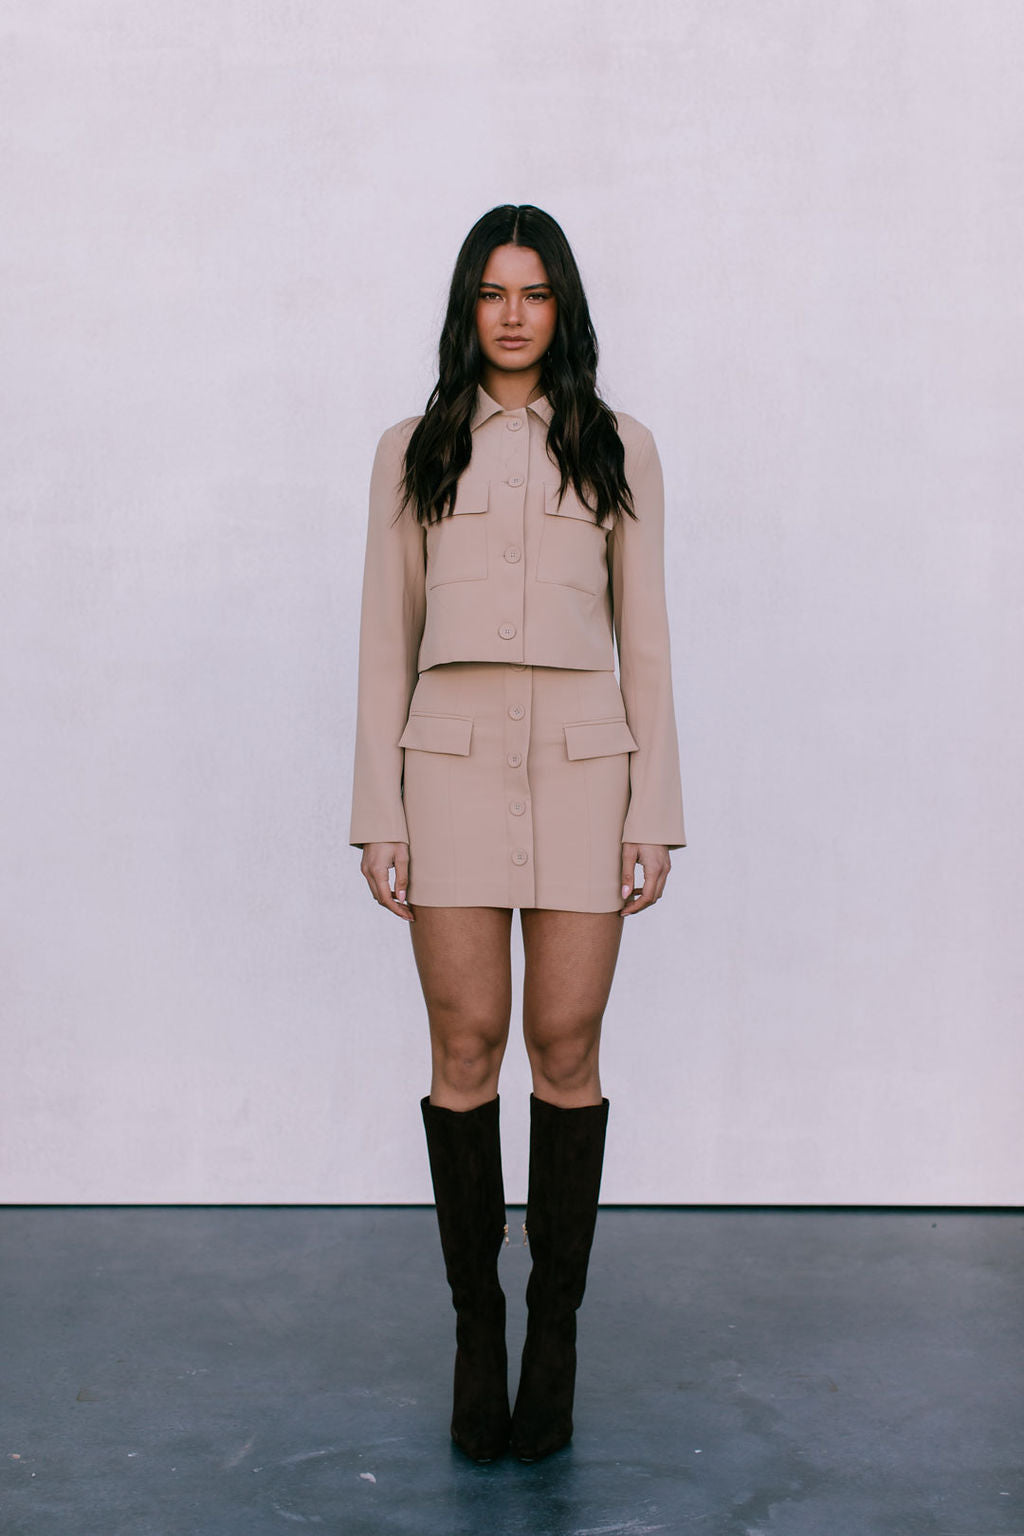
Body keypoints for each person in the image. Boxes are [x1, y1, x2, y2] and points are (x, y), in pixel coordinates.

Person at [349, 204, 685, 1463]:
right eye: (492, 292)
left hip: (585, 760)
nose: (510, 314)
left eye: (533, 293)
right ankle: (475, 1329)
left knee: (565, 1038)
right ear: (466, 305)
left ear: (562, 309)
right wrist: (374, 809)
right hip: (447, 757)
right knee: (464, 1038)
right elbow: (386, 638)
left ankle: (555, 1333)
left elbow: (642, 639)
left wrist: (657, 804)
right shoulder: (411, 448)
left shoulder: (618, 447)